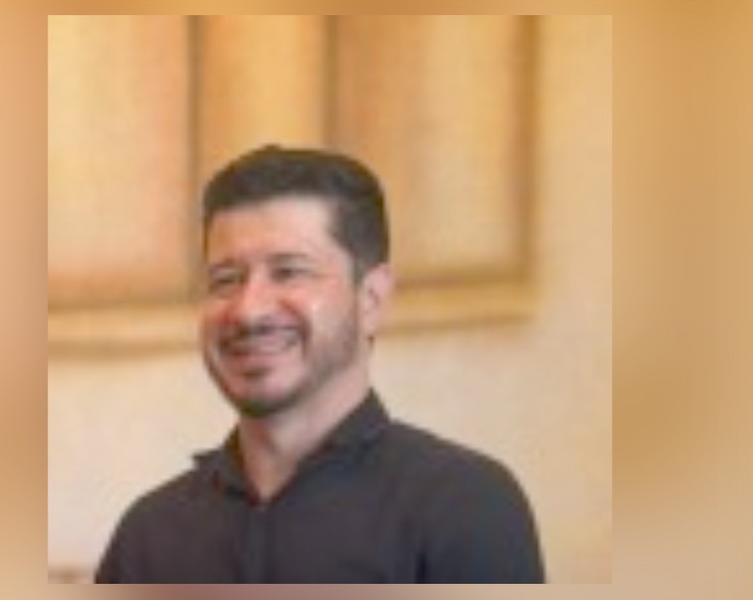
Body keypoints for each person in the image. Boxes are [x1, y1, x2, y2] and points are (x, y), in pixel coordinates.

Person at [95, 145, 545, 583]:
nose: (249, 310)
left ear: (371, 299)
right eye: (226, 280)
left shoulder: (462, 506)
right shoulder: (146, 536)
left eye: (289, 271)